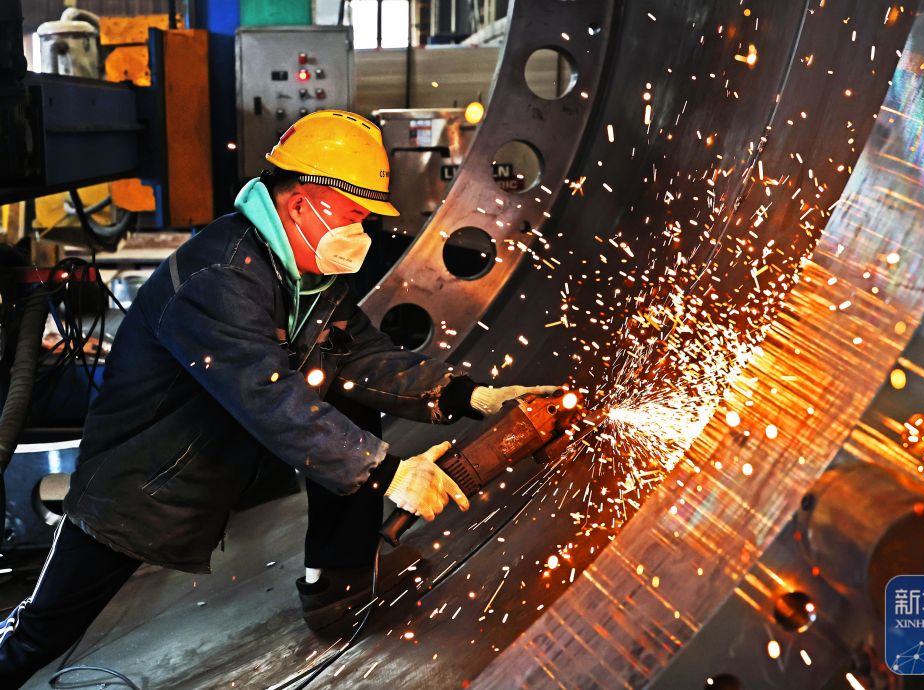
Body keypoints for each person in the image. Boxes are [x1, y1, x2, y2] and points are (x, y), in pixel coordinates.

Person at [0, 110, 558, 687]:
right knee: (45, 629)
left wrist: (468, 395)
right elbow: (268, 397)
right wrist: (388, 472)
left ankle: (336, 584)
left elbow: (362, 357)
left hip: (228, 459)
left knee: (346, 398)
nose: (361, 233)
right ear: (300, 205)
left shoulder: (305, 273)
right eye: (353, 216)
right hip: (143, 484)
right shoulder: (220, 276)